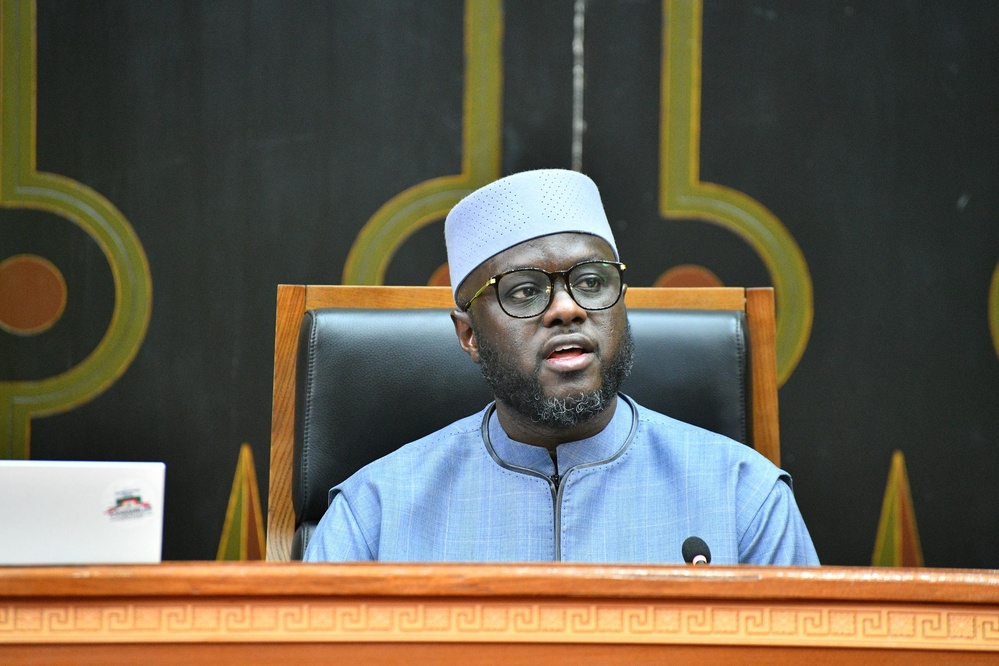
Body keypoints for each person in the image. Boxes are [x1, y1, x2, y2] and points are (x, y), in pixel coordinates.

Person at [305, 169, 818, 565]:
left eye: (592, 282)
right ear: (469, 337)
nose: (567, 309)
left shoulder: (742, 496)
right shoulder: (375, 514)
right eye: (525, 291)